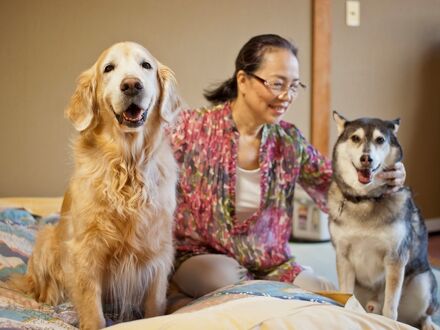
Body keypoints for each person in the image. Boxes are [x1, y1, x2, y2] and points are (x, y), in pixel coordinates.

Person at [167, 34, 406, 310]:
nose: (286, 96)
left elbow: (338, 185)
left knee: (327, 294)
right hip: (203, 257)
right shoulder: (192, 128)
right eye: (277, 84)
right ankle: (185, 299)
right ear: (243, 81)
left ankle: (214, 303)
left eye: (294, 86)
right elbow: (144, 164)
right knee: (227, 280)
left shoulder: (289, 140)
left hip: (272, 264)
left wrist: (383, 177)